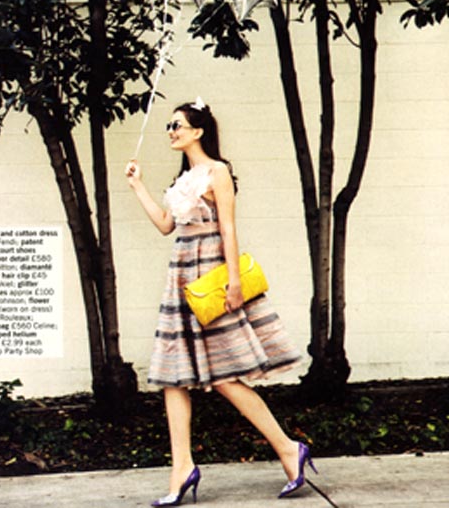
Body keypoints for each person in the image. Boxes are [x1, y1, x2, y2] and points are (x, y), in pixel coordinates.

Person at [125, 99, 316, 506]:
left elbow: (228, 228)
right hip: (181, 277)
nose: (171, 131)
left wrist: (233, 283)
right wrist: (138, 186)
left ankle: (288, 449)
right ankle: (182, 468)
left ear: (198, 131)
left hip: (211, 275)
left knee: (226, 377)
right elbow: (165, 225)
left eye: (177, 125)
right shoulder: (183, 180)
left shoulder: (218, 172)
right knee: (173, 377)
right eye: (169, 126)